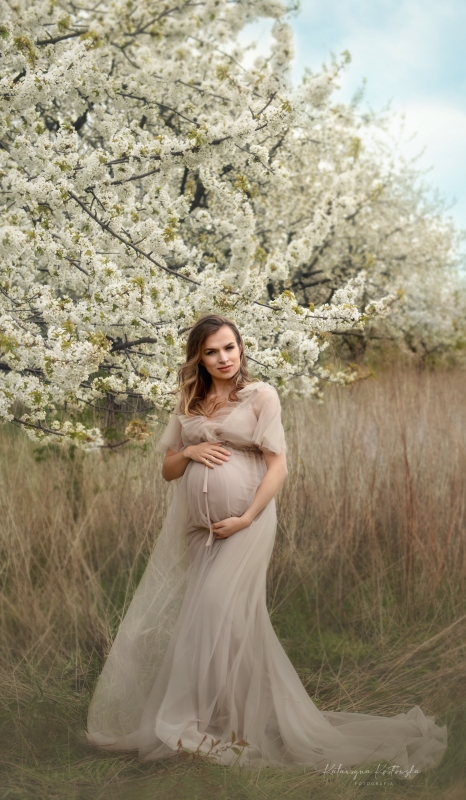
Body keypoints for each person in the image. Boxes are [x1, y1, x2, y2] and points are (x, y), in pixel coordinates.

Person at [86, 314, 447, 775]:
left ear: (241, 348)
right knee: (225, 626)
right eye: (212, 351)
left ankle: (234, 723)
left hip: (248, 523)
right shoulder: (190, 402)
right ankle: (229, 723)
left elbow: (278, 466)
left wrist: (245, 517)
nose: (223, 358)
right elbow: (169, 470)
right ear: (198, 357)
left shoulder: (261, 396)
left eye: (230, 348)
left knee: (217, 611)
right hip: (201, 532)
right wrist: (190, 452)